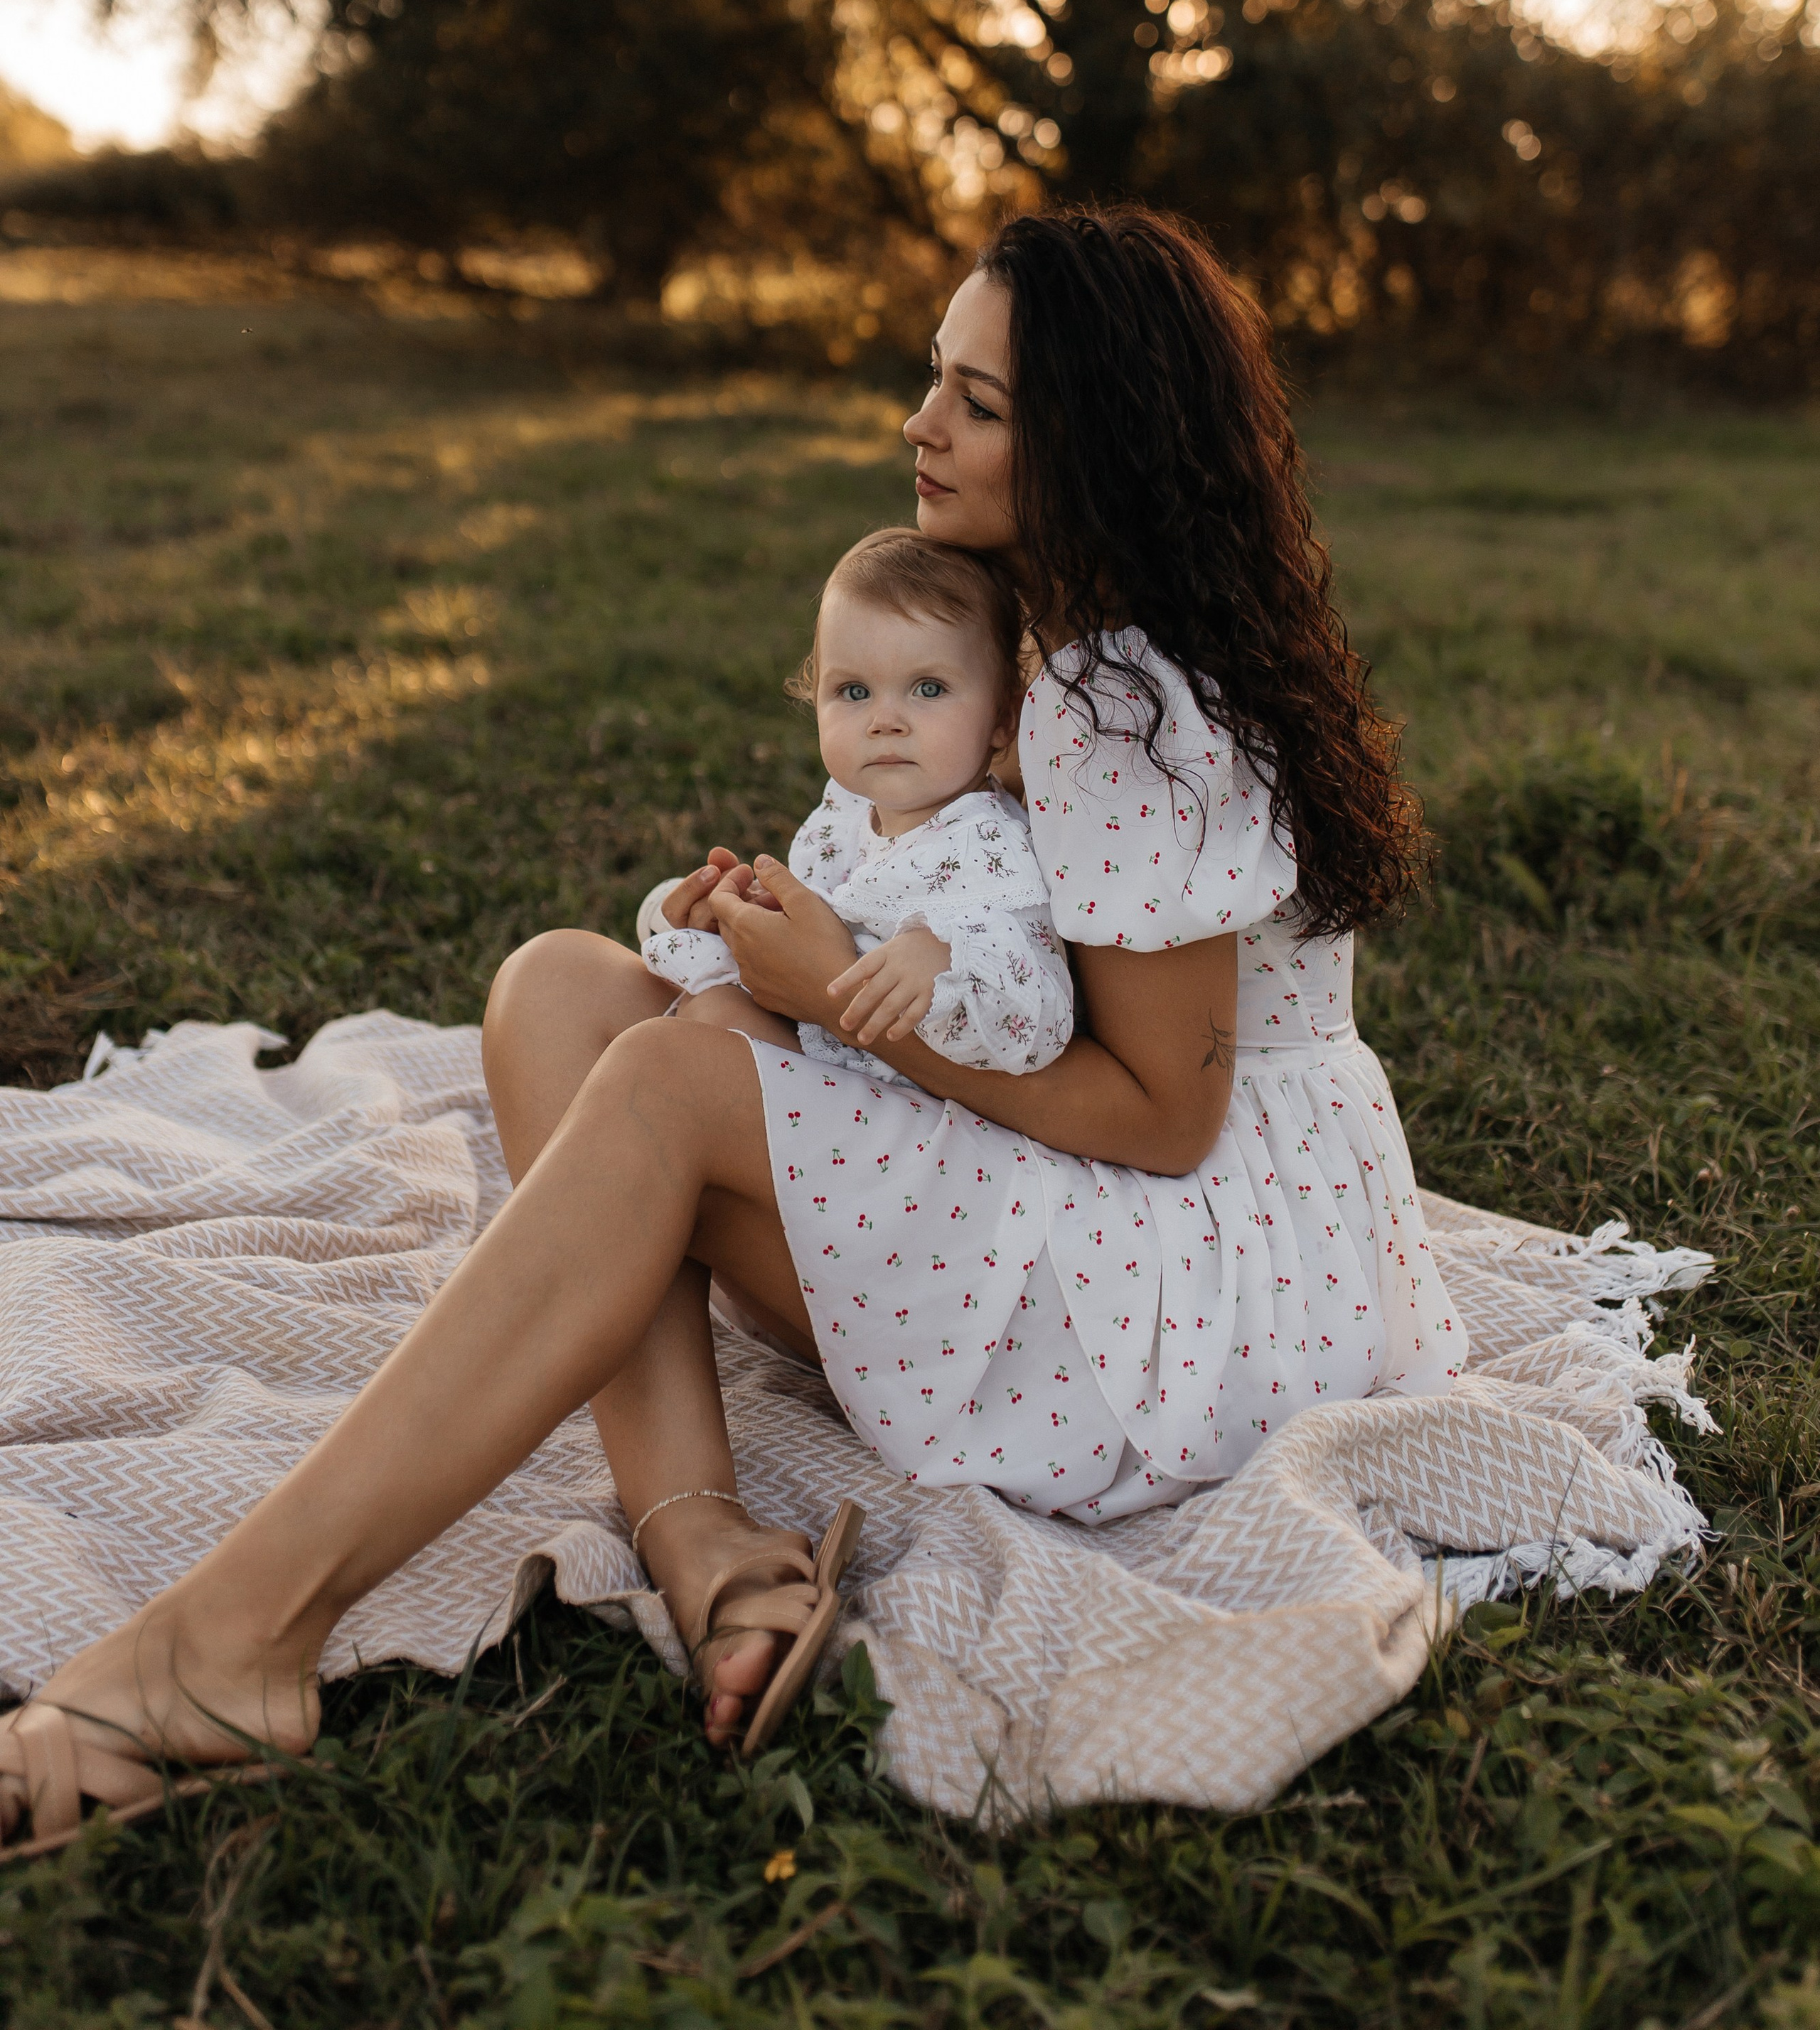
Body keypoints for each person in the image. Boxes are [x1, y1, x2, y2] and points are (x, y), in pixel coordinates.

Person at [0, 206, 1465, 1841]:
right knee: (564, 984)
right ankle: (697, 1531)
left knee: (670, 1082)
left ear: (1097, 443)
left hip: (1188, 1282)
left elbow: (1160, 1117)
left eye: (977, 403)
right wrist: (793, 937)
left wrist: (829, 995)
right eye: (933, 378)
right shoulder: (1032, 628)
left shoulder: (1120, 703)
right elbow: (976, 935)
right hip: (1088, 1168)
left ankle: (230, 1638)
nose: (919, 424)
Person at [641, 525, 1073, 1080]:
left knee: (700, 1028)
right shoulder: (847, 812)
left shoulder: (987, 845)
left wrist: (947, 961)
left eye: (929, 689)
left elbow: (1045, 1026)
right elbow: (835, 927)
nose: (885, 721)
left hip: (923, 1101)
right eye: (854, 692)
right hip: (833, 1048)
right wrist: (756, 918)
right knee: (569, 975)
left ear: (1001, 719)